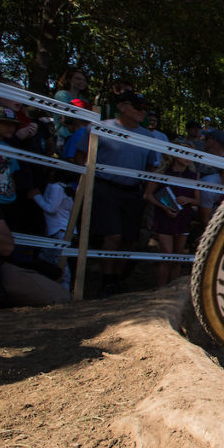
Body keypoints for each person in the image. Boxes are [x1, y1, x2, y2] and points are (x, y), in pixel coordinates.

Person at [90, 91, 160, 297]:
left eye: (145, 108)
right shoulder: (102, 128)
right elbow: (80, 158)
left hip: (133, 191)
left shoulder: (148, 137)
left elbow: (151, 168)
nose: (142, 112)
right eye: (138, 107)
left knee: (129, 238)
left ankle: (117, 280)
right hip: (105, 188)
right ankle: (106, 280)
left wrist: (147, 194)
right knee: (113, 235)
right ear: (121, 106)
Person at [143, 154, 199, 287]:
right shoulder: (162, 173)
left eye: (191, 155)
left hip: (183, 218)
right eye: (185, 154)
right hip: (164, 218)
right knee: (167, 256)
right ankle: (160, 289)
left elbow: (198, 200)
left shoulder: (193, 176)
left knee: (177, 258)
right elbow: (147, 195)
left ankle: (173, 290)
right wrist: (164, 206)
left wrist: (188, 199)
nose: (188, 158)